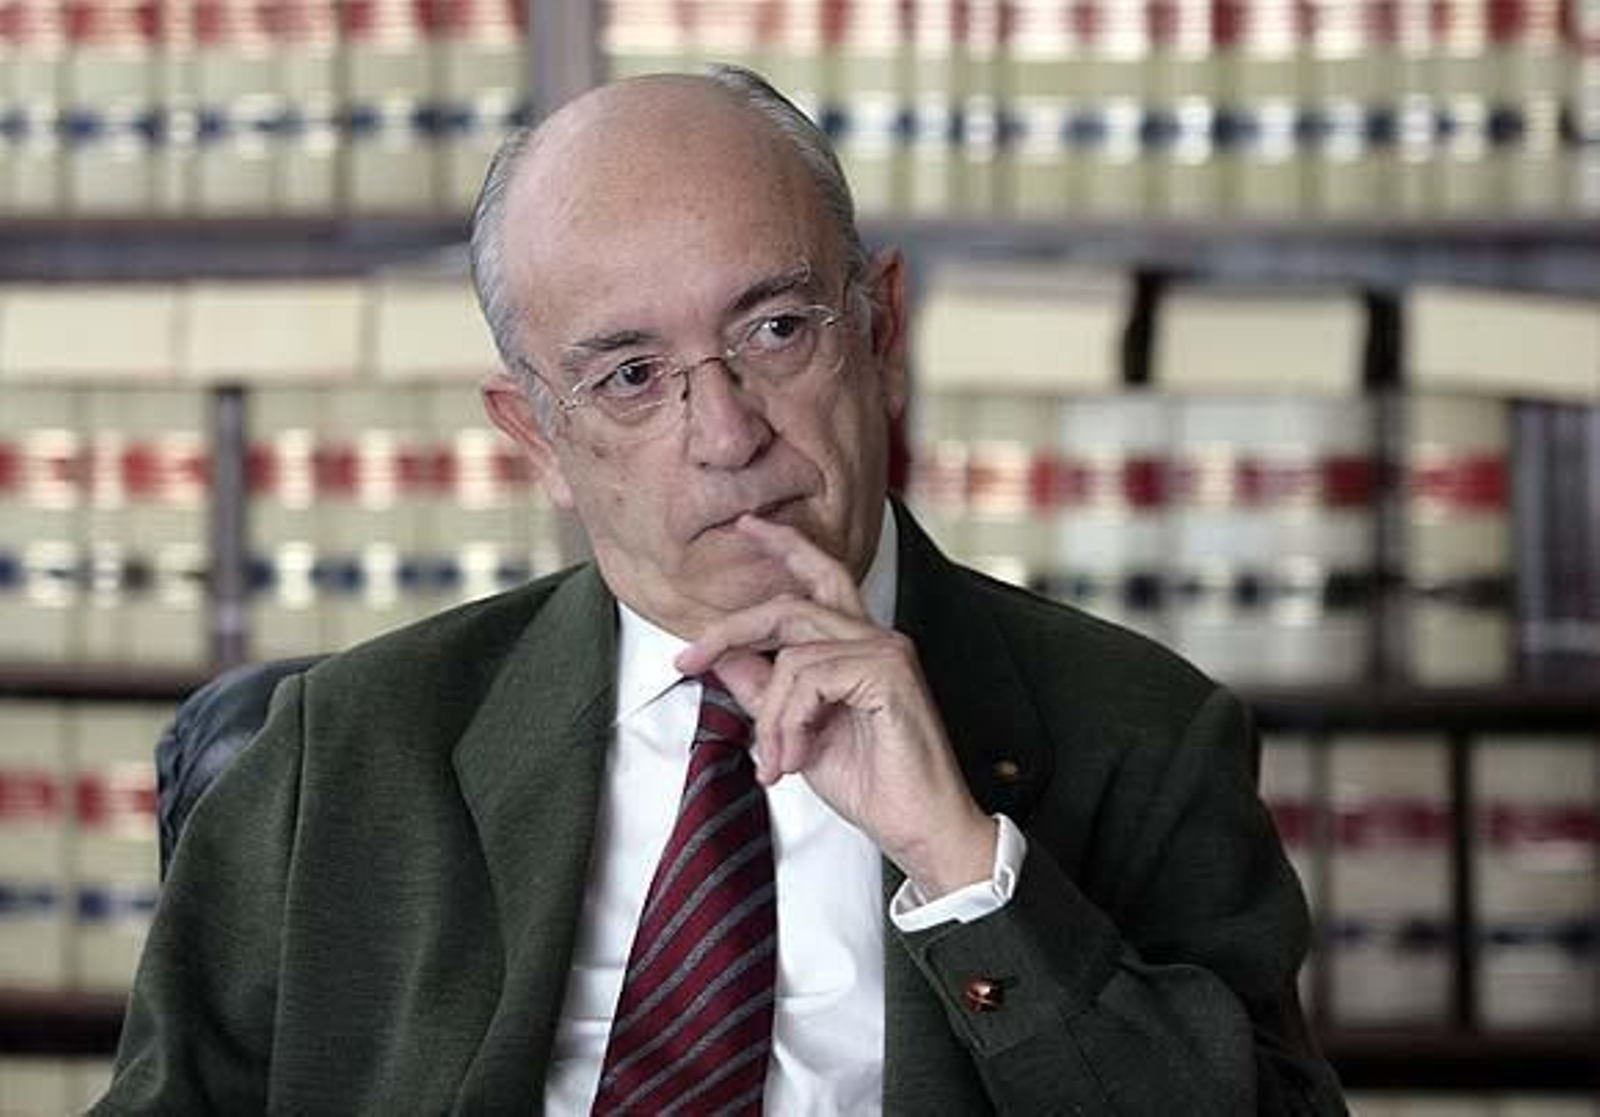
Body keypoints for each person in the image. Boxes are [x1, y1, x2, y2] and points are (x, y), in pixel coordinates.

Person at [95, 66, 1347, 1114]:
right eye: (632, 376)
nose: (727, 434)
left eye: (776, 330)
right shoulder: (340, 751)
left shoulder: (1140, 733)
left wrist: (963, 868)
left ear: (882, 333)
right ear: (537, 438)